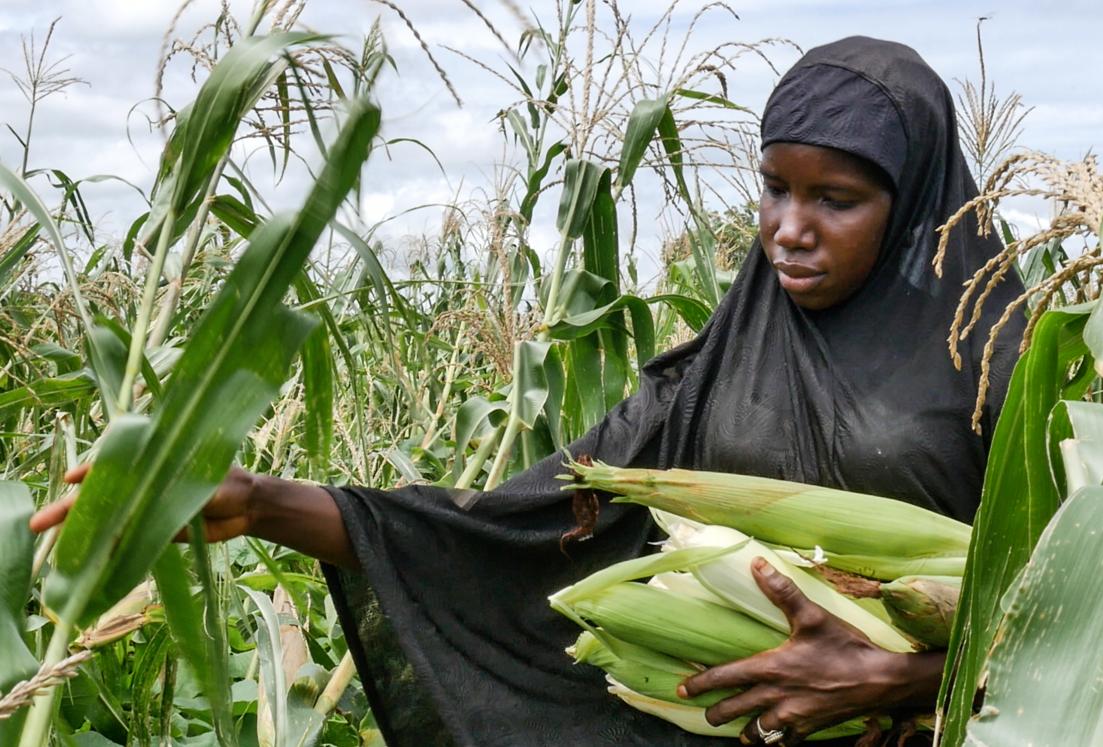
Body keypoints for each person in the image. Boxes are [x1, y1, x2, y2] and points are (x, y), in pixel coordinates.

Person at [32, 36, 1024, 746]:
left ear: (918, 206)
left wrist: (901, 676)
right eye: (774, 187)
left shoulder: (1013, 370)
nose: (787, 228)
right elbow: (517, 530)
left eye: (835, 200)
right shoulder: (712, 372)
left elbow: (1086, 614)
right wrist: (260, 505)